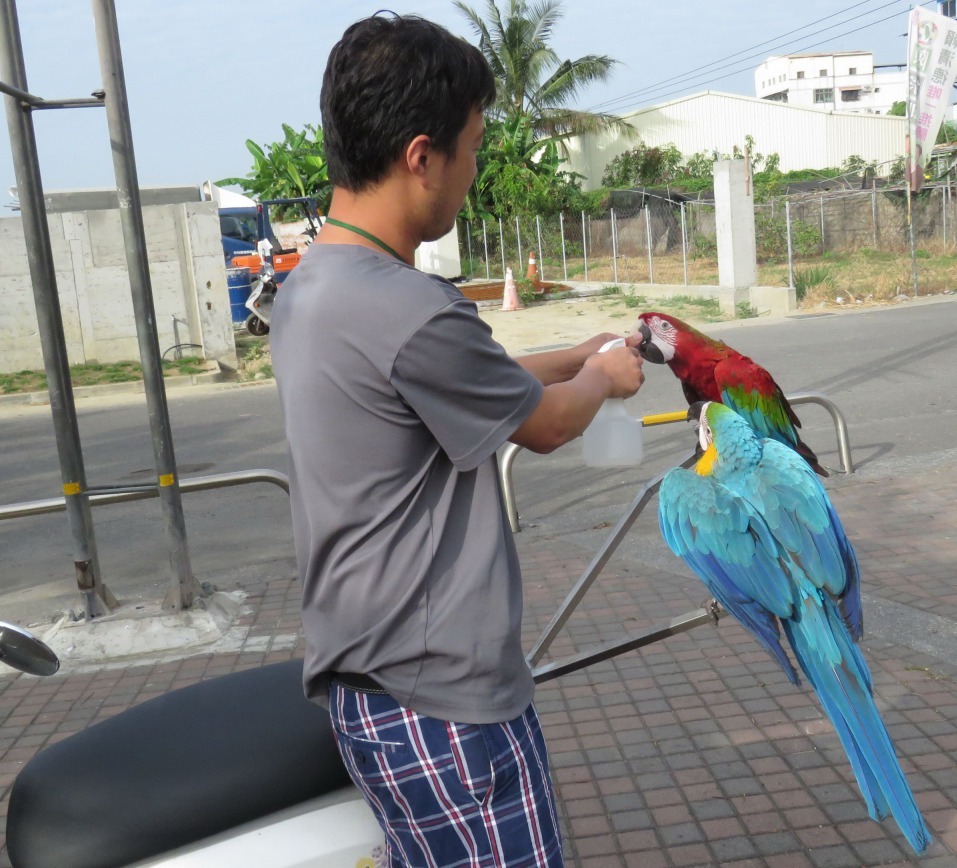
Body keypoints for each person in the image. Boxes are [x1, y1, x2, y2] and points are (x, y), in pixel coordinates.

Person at [270, 12, 645, 867]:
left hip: (370, 680)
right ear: (420, 155)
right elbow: (545, 427)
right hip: (439, 697)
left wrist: (572, 354)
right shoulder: (409, 306)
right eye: (471, 148)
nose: (473, 172)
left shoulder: (316, 284)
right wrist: (607, 379)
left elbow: (463, 374)